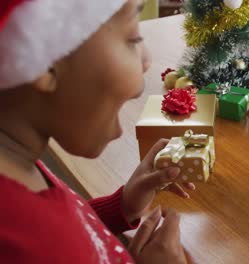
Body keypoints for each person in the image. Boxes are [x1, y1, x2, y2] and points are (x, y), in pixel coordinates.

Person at [0, 1, 194, 263]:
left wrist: (122, 206)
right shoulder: (38, 243)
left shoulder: (17, 170)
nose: (147, 59)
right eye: (133, 38)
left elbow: (70, 233)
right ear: (46, 60)